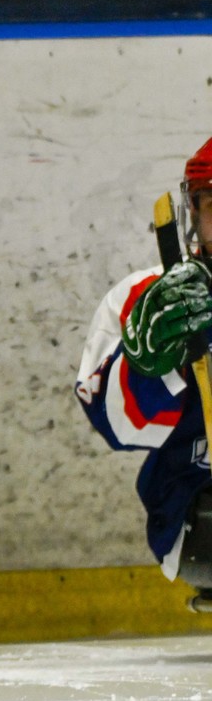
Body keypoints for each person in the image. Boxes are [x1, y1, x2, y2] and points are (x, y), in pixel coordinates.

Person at [76, 137, 212, 614]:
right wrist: (153, 362)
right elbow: (119, 428)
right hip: (198, 506)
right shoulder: (146, 300)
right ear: (191, 211)